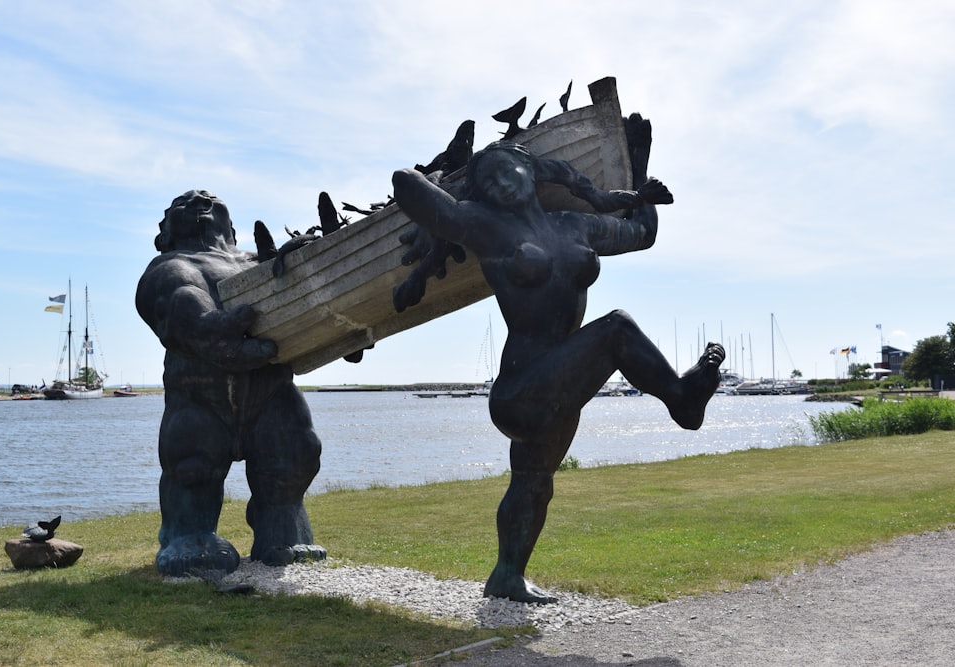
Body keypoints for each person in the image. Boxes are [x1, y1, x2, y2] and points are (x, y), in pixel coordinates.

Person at [392, 123, 724, 603]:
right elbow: (405, 184)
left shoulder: (574, 223)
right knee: (615, 329)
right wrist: (448, 176)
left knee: (534, 484)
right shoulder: (485, 227)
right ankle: (682, 400)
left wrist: (640, 165)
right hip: (522, 389)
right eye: (489, 182)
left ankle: (507, 575)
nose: (502, 183)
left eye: (508, 170)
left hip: (562, 381)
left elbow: (642, 233)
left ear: (533, 171)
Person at [136, 190, 325, 576]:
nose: (197, 201)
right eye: (180, 205)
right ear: (165, 232)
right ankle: (187, 535)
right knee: (193, 465)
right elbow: (174, 297)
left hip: (269, 387)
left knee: (291, 455)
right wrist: (202, 325)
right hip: (198, 392)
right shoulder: (168, 265)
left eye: (206, 199)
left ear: (230, 226)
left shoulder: (259, 260)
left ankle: (282, 530)